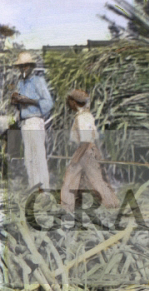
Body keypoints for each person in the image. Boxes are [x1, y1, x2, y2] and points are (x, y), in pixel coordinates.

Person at [61, 89, 118, 212]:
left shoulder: (82, 118)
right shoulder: (87, 115)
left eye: (69, 101)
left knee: (71, 177)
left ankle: (67, 205)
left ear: (74, 102)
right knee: (94, 179)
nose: (68, 104)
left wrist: (76, 158)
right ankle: (110, 203)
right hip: (89, 150)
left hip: (84, 150)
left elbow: (86, 139)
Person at [11, 51, 53, 190]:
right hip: (25, 122)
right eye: (21, 67)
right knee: (29, 158)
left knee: (39, 156)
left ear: (30, 66)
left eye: (26, 66)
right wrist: (16, 101)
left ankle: (44, 190)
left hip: (35, 120)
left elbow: (48, 103)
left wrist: (29, 101)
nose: (23, 69)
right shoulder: (21, 83)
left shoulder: (37, 81)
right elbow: (19, 102)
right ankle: (34, 187)